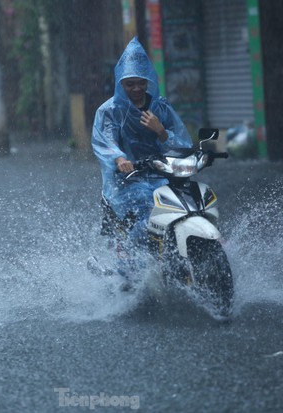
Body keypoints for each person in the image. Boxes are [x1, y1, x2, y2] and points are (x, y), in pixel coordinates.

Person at [91, 37, 192, 276]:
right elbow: (106, 141)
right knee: (147, 214)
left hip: (162, 176)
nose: (136, 89)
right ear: (121, 84)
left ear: (148, 82)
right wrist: (119, 159)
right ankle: (127, 267)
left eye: (141, 83)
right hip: (126, 182)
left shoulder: (161, 108)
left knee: (186, 206)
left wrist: (160, 131)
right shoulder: (110, 111)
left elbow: (182, 144)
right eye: (130, 84)